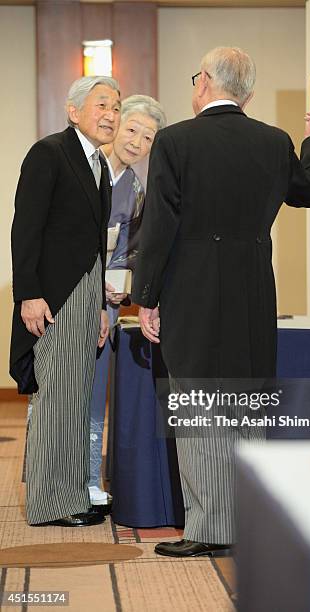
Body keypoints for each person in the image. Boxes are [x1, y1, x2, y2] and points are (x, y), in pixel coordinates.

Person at [132, 46, 310, 557]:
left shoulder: (175, 141)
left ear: (204, 84)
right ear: (249, 93)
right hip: (251, 288)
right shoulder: (273, 141)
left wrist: (146, 297)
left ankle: (209, 529)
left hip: (190, 289)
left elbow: (159, 227)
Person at [10, 76, 121, 527]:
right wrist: (29, 295)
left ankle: (73, 492)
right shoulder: (49, 153)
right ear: (73, 111)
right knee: (56, 399)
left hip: (84, 295)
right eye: (102, 105)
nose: (111, 114)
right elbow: (26, 229)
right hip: (52, 298)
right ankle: (50, 504)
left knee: (76, 399)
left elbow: (95, 245)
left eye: (116, 106)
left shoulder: (98, 165)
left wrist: (98, 304)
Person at [88, 95, 166, 512]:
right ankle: (61, 478)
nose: (137, 141)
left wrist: (124, 287)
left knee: (96, 390)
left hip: (108, 300)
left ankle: (87, 479)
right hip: (75, 294)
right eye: (132, 128)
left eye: (148, 136)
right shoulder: (87, 169)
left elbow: (130, 252)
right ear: (116, 124)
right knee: (66, 390)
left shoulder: (135, 187)